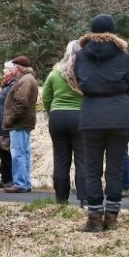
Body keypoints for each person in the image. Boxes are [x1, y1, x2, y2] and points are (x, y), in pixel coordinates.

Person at [75, 14, 129, 232]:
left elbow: (79, 81)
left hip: (91, 115)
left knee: (92, 169)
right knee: (115, 168)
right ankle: (112, 216)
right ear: (112, 31)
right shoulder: (123, 56)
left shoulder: (81, 55)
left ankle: (94, 217)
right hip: (119, 114)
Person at [42, 41, 85, 204]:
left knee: (60, 158)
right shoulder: (84, 73)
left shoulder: (55, 73)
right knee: (82, 158)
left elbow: (46, 97)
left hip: (58, 117)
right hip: (80, 117)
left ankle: (61, 198)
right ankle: (84, 198)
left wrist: (51, 111)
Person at [3, 56, 38, 193]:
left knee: (18, 153)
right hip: (23, 122)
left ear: (18, 67)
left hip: (19, 122)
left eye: (14, 66)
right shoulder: (27, 79)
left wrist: (10, 118)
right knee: (24, 153)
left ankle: (20, 183)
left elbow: (21, 103)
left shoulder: (24, 81)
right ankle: (25, 182)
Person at [0, 63, 16, 190]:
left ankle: (10, 179)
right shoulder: (6, 85)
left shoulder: (13, 85)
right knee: (2, 152)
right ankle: (4, 177)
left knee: (7, 153)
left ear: (11, 71)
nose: (3, 71)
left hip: (6, 125)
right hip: (0, 124)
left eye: (5, 69)